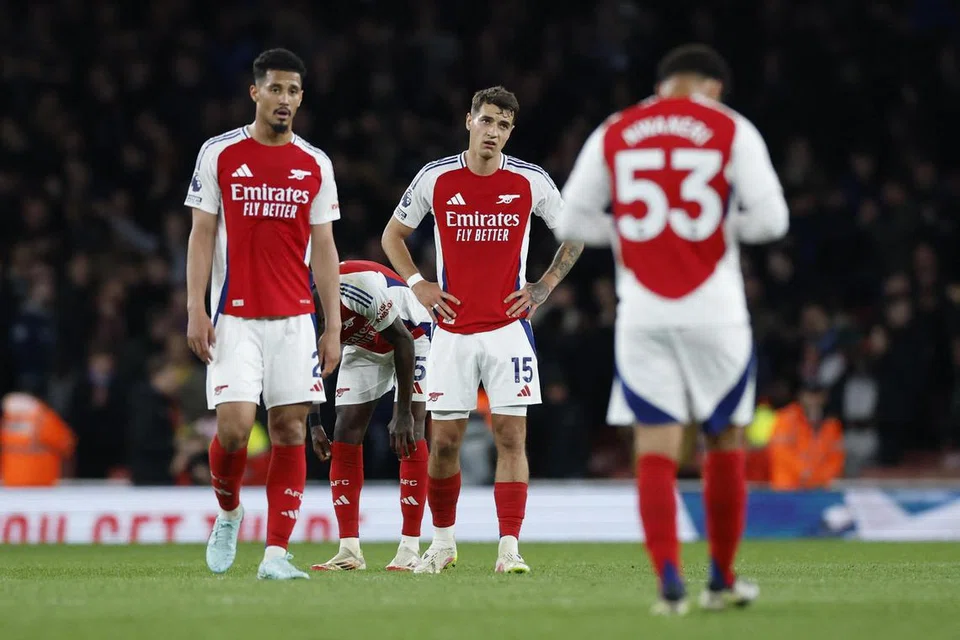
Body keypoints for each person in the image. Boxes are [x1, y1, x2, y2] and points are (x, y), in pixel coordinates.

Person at [556, 44, 789, 614]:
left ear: (663, 84)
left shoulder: (616, 129)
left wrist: (638, 233)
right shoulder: (730, 127)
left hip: (643, 312)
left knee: (654, 448)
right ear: (711, 86)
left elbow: (570, 219)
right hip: (716, 309)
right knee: (725, 438)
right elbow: (771, 221)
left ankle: (668, 583)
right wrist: (710, 225)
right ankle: (722, 580)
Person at [381, 86, 584, 574]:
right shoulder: (436, 178)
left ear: (510, 132)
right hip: (451, 330)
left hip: (508, 330)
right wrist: (418, 284)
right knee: (445, 441)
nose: (493, 132)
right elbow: (393, 235)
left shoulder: (530, 181)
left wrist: (544, 285)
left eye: (504, 125)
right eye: (487, 120)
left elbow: (574, 232)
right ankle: (443, 542)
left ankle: (509, 548)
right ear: (468, 121)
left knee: (511, 438)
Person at [184, 48, 342, 580]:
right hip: (234, 316)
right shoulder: (220, 152)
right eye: (276, 89)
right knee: (232, 432)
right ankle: (229, 512)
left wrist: (333, 325)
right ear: (255, 92)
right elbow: (201, 233)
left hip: (296, 319)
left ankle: (276, 553)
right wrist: (195, 309)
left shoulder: (315, 163)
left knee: (290, 429)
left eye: (294, 91)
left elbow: (324, 247)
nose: (285, 99)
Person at [308, 259, 433, 572]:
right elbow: (306, 363)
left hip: (412, 333)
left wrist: (402, 412)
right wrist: (314, 423)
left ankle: (410, 548)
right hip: (364, 346)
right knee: (345, 430)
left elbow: (402, 339)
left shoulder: (355, 285)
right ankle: (349, 551)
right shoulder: (295, 313)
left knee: (411, 431)